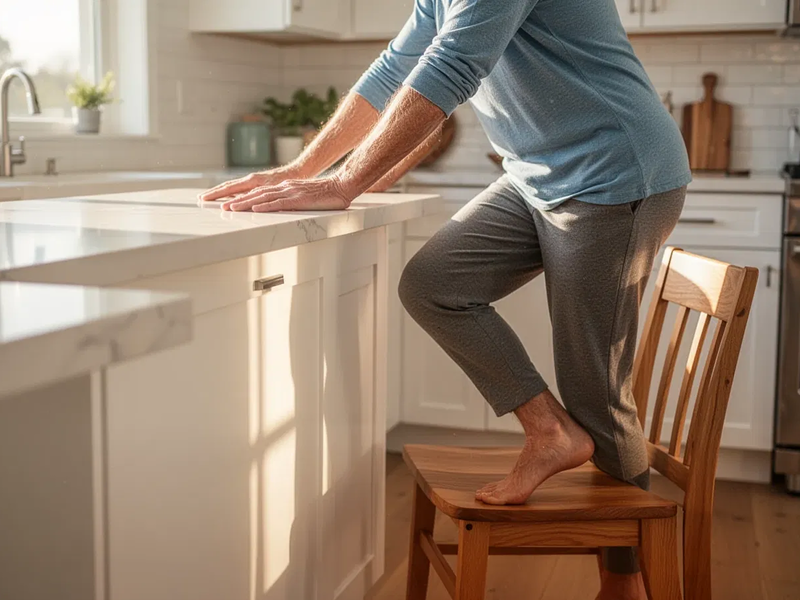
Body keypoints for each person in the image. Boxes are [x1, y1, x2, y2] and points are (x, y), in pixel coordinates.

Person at [200, 1, 691, 598]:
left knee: (594, 389)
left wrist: (345, 181)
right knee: (434, 285)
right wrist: (304, 168)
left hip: (615, 177)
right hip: (535, 176)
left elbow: (454, 66)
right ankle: (549, 433)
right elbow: (393, 69)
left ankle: (625, 582)